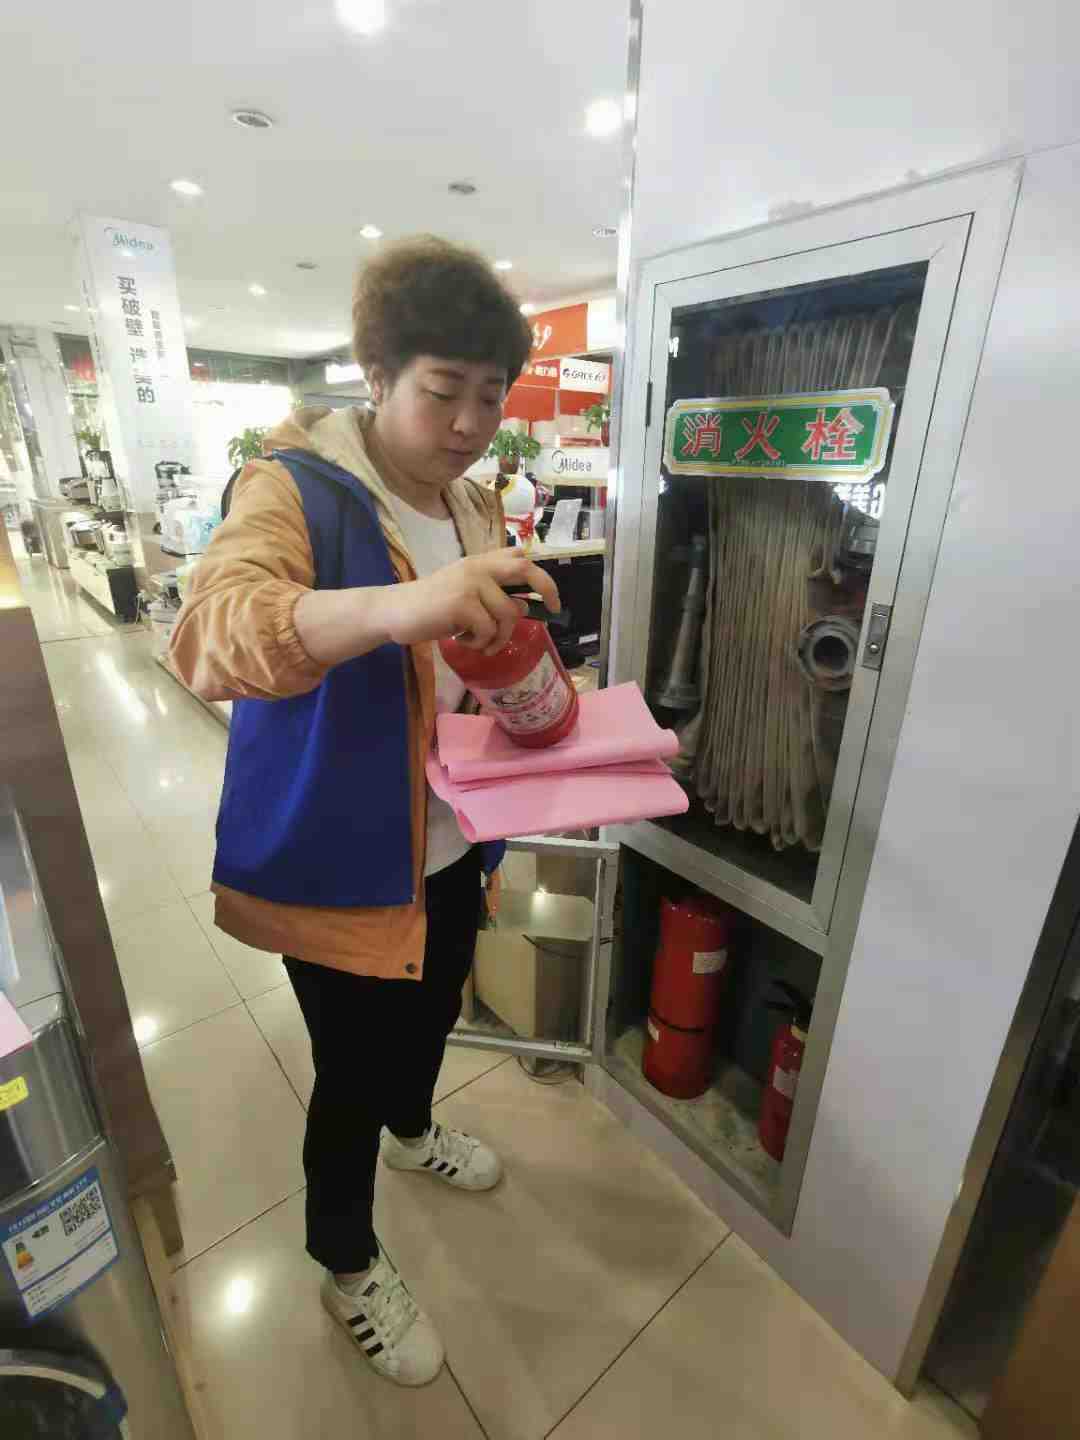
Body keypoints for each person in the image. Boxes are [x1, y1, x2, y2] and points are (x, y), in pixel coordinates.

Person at [170, 236, 560, 1387]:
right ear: (378, 374)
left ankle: (416, 1129)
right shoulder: (289, 487)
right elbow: (211, 636)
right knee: (348, 1069)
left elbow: (462, 658)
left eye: (491, 395)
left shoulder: (473, 500)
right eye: (443, 391)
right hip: (341, 859)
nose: (470, 423)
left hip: (452, 838)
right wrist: (401, 606)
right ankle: (346, 1258)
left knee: (434, 1011)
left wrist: (523, 663)